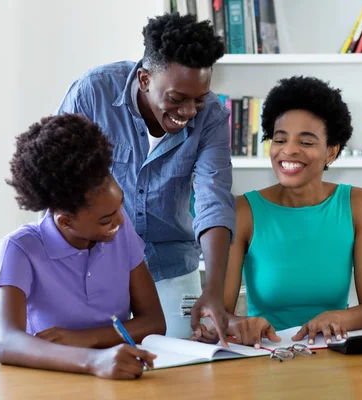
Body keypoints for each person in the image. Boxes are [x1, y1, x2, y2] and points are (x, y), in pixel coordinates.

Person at [56, 13, 235, 341]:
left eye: (199, 99)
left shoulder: (212, 117)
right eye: (177, 99)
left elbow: (214, 197)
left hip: (172, 267)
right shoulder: (92, 94)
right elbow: (57, 182)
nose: (189, 112)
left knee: (180, 371)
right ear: (144, 79)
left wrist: (213, 290)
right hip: (93, 265)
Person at [198, 76, 362, 347]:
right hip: (267, 355)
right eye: (280, 139)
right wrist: (243, 324)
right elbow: (222, 313)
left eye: (307, 142)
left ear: (331, 152)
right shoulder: (244, 210)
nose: (289, 151)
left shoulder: (357, 202)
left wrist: (337, 317)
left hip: (330, 354)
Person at [0, 114, 165, 379]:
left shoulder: (118, 231)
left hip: (116, 375)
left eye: (119, 208)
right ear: (66, 221)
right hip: (45, 382)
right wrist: (93, 360)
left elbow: (154, 322)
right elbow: (7, 343)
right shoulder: (20, 249)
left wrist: (87, 340)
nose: (119, 221)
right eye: (106, 219)